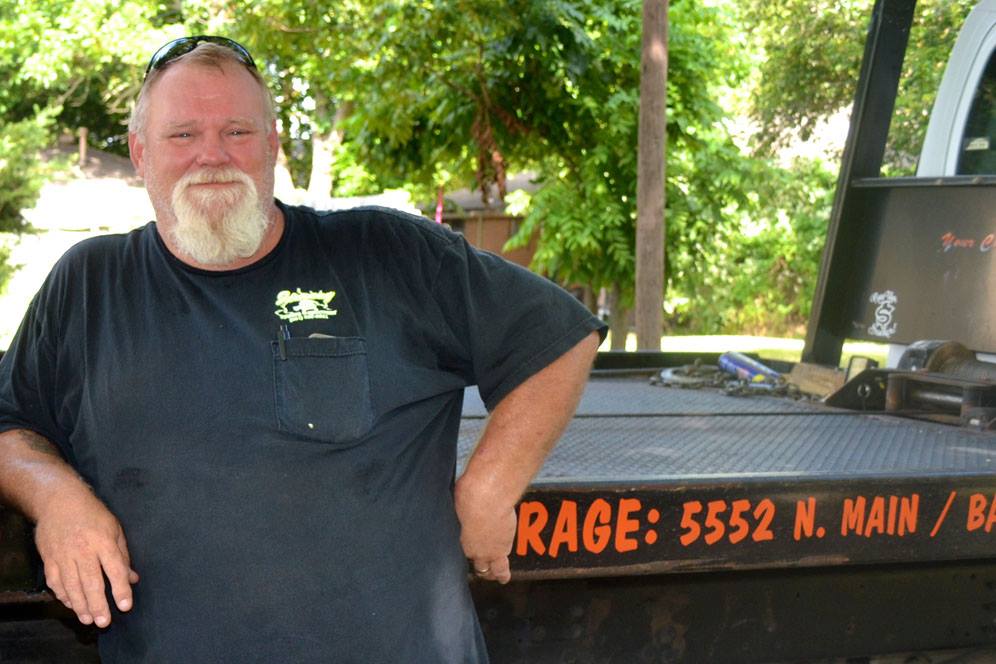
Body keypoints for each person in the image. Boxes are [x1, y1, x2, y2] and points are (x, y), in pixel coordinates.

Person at [0, 36, 605, 662]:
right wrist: (57, 500)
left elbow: (557, 335)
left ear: (271, 145)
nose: (212, 155)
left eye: (237, 131)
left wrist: (489, 490)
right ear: (140, 153)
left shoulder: (385, 253)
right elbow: (10, 423)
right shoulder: (89, 284)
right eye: (183, 135)